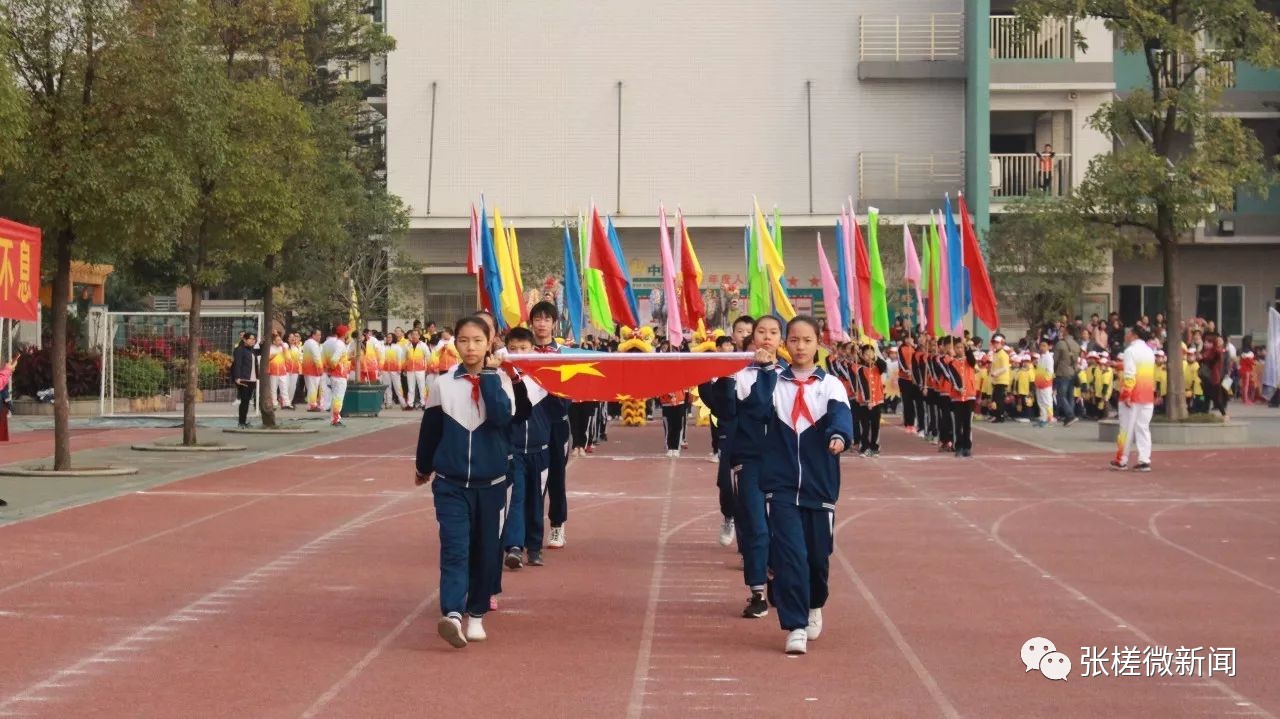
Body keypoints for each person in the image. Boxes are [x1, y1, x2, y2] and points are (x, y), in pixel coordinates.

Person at [415, 316, 514, 648]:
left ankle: (476, 614)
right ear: (454, 344)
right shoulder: (443, 384)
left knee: (487, 552)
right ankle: (453, 614)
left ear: (490, 343)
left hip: (492, 484)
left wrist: (488, 375)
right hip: (451, 483)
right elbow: (430, 431)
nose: (470, 347)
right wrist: (423, 466)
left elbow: (501, 417)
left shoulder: (503, 381)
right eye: (463, 340)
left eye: (477, 341)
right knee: (455, 548)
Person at [759, 316, 852, 655]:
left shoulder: (831, 386)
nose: (800, 346)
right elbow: (752, 410)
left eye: (807, 340)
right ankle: (795, 625)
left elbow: (841, 417)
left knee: (817, 557)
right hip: (780, 485)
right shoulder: (772, 383)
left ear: (817, 344)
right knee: (790, 556)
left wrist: (839, 437)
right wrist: (759, 372)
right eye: (794, 340)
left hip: (819, 485)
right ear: (786, 342)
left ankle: (815, 604)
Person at [720, 315, 784, 619]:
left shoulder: (790, 373)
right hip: (751, 461)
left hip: (786, 464)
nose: (767, 338)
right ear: (751, 338)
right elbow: (756, 407)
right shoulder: (740, 373)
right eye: (761, 332)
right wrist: (730, 374)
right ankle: (757, 591)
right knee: (757, 527)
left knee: (783, 529)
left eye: (774, 333)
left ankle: (777, 578)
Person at [500, 327, 561, 570]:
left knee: (536, 499)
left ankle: (534, 547)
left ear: (533, 350)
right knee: (515, 497)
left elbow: (559, 412)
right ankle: (514, 546)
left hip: (540, 448)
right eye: (512, 349)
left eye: (523, 349)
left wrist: (557, 389)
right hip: (513, 450)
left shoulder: (543, 378)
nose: (518, 353)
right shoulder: (502, 378)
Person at [528, 302, 573, 550]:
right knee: (531, 478)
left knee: (556, 476)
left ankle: (557, 526)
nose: (542, 323)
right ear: (531, 322)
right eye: (538, 318)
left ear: (554, 323)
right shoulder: (523, 352)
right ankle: (529, 528)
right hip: (531, 423)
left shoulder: (565, 354)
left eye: (547, 319)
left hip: (556, 424)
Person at [1111, 326, 1156, 472]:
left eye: (1128, 333)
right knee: (1143, 428)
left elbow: (1130, 374)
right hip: (1147, 394)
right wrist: (1118, 365)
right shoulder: (1149, 351)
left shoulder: (1130, 351)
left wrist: (1126, 395)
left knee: (1126, 429)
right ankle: (1144, 459)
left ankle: (1121, 459)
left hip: (1133, 395)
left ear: (1133, 335)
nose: (1126, 335)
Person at [853, 344, 886, 456]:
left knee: (875, 425)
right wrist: (868, 400)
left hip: (877, 400)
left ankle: (874, 447)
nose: (869, 356)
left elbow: (884, 366)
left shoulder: (878, 367)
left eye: (870, 353)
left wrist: (875, 356)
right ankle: (864, 447)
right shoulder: (861, 369)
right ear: (862, 355)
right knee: (865, 426)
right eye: (866, 354)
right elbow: (863, 386)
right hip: (864, 403)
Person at [321, 326, 351, 427]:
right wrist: (332, 368)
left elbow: (326, 359)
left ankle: (334, 418)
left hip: (335, 374)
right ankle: (335, 419)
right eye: (347, 332)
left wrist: (328, 369)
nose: (348, 334)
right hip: (339, 374)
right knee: (338, 398)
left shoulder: (333, 343)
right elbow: (334, 360)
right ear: (344, 334)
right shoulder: (340, 345)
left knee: (335, 397)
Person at [1053, 326, 1081, 426]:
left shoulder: (1060, 343)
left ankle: (1070, 415)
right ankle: (1070, 416)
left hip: (1062, 372)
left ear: (1067, 331)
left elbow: (1055, 360)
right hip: (1072, 372)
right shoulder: (1076, 345)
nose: (1061, 332)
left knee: (1061, 396)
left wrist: (1054, 370)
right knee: (1070, 396)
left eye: (1063, 331)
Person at [231, 332, 259, 429]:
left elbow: (261, 351)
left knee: (247, 401)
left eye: (254, 339)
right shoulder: (240, 350)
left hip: (252, 379)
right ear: (244, 340)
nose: (253, 340)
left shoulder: (252, 350)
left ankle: (243, 421)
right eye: (251, 339)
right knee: (244, 401)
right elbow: (237, 364)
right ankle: (241, 422)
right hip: (243, 379)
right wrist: (237, 377)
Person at [404, 330, 431, 410]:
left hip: (420, 369)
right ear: (411, 336)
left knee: (422, 387)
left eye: (416, 334)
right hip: (410, 370)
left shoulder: (423, 345)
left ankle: (424, 404)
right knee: (411, 387)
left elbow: (428, 357)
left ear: (419, 336)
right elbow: (404, 358)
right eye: (413, 335)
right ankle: (410, 404)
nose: (414, 336)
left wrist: (428, 368)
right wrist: (405, 368)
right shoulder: (407, 345)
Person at [988, 334, 1011, 422]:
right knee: (995, 399)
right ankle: (996, 415)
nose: (995, 344)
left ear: (1002, 343)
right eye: (994, 342)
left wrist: (995, 373)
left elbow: (1005, 368)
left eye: (997, 343)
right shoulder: (995, 354)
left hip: (1002, 380)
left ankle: (1000, 416)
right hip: (996, 380)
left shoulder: (1003, 354)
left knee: (999, 399)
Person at [267, 331, 292, 410]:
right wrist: (275, 353)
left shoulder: (283, 347)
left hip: (282, 371)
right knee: (273, 389)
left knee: (284, 388)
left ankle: (286, 403)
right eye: (277, 340)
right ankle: (274, 404)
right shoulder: (270, 348)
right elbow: (268, 358)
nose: (279, 341)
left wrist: (283, 348)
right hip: (273, 372)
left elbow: (288, 358)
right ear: (273, 341)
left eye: (280, 340)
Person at [301, 329, 325, 411]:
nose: (320, 337)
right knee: (313, 388)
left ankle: (311, 404)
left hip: (307, 368)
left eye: (320, 335)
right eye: (318, 335)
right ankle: (312, 405)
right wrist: (320, 368)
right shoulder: (313, 344)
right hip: (313, 369)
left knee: (311, 387)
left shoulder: (307, 342)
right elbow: (316, 357)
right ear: (313, 335)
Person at [1034, 340, 1055, 427]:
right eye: (1041, 346)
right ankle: (1043, 418)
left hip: (1045, 384)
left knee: (1047, 402)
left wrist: (1045, 381)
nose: (1042, 347)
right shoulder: (1041, 357)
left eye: (1044, 346)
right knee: (1040, 402)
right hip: (1039, 383)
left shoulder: (1049, 357)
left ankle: (1049, 419)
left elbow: (1050, 372)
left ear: (1048, 347)